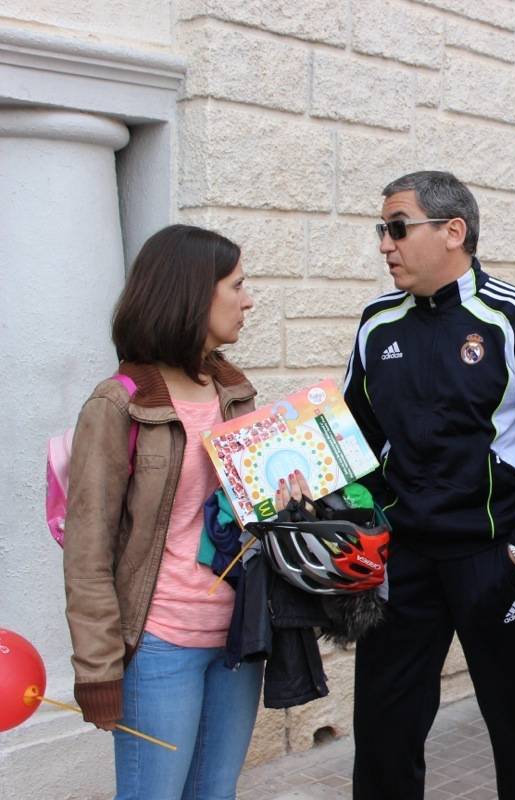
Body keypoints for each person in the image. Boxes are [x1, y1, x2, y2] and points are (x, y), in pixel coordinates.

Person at [342, 170, 515, 799]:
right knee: (383, 736)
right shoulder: (376, 324)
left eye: (397, 228)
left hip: (493, 557)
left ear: (454, 232)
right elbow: (354, 445)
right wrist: (354, 527)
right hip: (404, 562)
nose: (385, 245)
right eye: (382, 230)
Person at [63, 224, 261, 799]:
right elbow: (88, 548)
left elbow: (249, 510)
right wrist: (97, 666)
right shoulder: (119, 402)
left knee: (215, 794)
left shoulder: (236, 390)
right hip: (160, 645)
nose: (248, 301)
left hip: (238, 639)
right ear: (194, 293)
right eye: (238, 285)